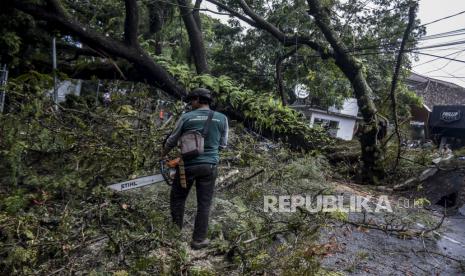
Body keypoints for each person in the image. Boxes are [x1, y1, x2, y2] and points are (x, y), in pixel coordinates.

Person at [161, 88, 228, 250]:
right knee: (204, 204)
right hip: (209, 166)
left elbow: (171, 140)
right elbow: (223, 145)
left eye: (192, 100)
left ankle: (175, 236)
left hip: (187, 167)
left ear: (198, 99)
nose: (190, 103)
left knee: (178, 199)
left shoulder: (186, 117)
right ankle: (198, 240)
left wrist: (162, 155)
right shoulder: (222, 118)